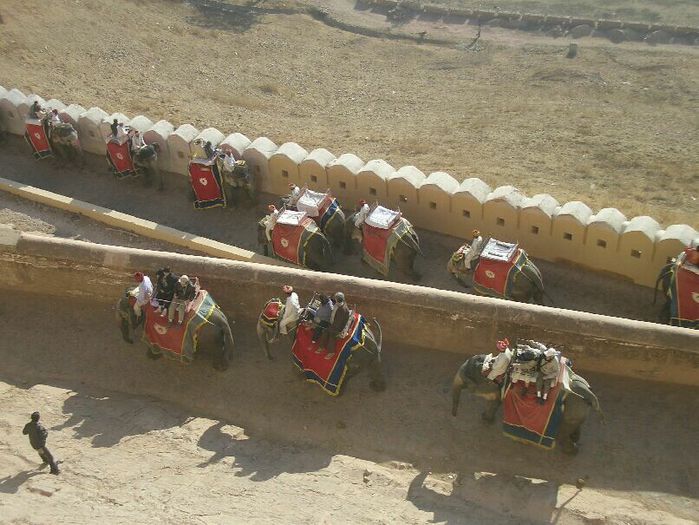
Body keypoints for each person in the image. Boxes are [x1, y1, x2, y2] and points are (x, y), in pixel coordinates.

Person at [322, 292, 351, 360]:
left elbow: (338, 323)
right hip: (334, 324)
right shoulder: (338, 304)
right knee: (325, 331)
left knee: (331, 334)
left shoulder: (342, 309)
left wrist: (331, 328)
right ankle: (322, 347)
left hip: (338, 328)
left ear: (337, 299)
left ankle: (331, 352)